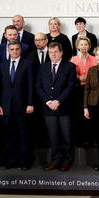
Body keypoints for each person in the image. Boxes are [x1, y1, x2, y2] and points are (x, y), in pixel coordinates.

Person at [36, 42, 77, 172]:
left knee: (66, 136)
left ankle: (67, 161)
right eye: (50, 52)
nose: (53, 54)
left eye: (55, 52)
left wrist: (58, 101)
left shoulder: (70, 66)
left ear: (61, 52)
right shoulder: (43, 67)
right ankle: (55, 160)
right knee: (53, 136)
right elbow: (38, 86)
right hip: (48, 108)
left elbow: (70, 86)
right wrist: (48, 101)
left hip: (64, 107)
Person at [0, 41, 34, 170]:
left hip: (22, 106)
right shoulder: (2, 65)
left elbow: (30, 86)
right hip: (6, 107)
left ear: (20, 50)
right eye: (12, 49)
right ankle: (12, 161)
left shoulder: (28, 64)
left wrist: (30, 103)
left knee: (23, 135)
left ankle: (24, 162)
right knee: (8, 135)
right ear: (8, 51)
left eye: (17, 49)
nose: (15, 51)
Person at [70, 37, 97, 146]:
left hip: (91, 90)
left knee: (91, 114)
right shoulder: (73, 59)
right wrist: (79, 78)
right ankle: (80, 139)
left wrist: (87, 78)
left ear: (89, 46)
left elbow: (96, 74)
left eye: (86, 44)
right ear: (77, 46)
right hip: (78, 90)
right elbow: (71, 76)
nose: (84, 46)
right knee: (79, 114)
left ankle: (91, 139)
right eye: (81, 44)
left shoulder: (95, 59)